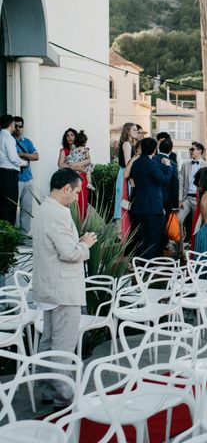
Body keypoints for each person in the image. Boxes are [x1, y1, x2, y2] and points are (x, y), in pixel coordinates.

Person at [32, 168, 97, 408]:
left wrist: (76, 244)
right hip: (63, 289)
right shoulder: (58, 213)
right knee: (63, 344)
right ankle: (65, 396)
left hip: (49, 286)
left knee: (48, 341)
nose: (77, 196)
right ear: (66, 188)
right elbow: (69, 252)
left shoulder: (42, 210)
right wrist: (85, 244)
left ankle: (47, 389)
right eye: (77, 191)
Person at [129, 137, 173, 258]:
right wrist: (168, 167)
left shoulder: (136, 163)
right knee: (154, 238)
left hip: (139, 206)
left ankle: (141, 264)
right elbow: (164, 180)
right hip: (153, 207)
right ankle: (150, 266)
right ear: (154, 149)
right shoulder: (151, 163)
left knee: (142, 238)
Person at [178, 142, 207, 248]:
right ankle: (180, 248)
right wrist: (179, 200)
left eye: (192, 149)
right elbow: (180, 182)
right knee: (178, 220)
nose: (190, 151)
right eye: (190, 149)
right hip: (186, 198)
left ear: (199, 151)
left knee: (198, 225)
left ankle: (197, 248)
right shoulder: (185, 165)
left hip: (200, 199)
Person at [12, 116, 38, 235]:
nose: (18, 128)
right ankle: (12, 234)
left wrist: (21, 154)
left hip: (27, 179)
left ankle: (24, 235)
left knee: (27, 209)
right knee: (13, 209)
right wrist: (27, 156)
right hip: (14, 180)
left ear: (23, 127)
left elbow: (36, 156)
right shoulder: (8, 141)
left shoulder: (27, 142)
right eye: (15, 126)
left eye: (20, 126)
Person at [0, 115, 27, 225]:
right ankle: (8, 235)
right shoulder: (8, 138)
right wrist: (24, 163)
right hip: (9, 174)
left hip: (1, 173)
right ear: (11, 124)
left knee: (2, 204)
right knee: (10, 204)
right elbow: (13, 158)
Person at [154, 138, 179, 252]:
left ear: (159, 148)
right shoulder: (172, 164)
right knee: (165, 224)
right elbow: (175, 184)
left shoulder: (152, 160)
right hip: (167, 199)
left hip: (153, 197)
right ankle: (163, 245)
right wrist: (175, 204)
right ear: (171, 150)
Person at [113, 123, 138, 231]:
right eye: (134, 130)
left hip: (125, 174)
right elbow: (128, 162)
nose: (136, 132)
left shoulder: (129, 144)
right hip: (125, 175)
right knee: (124, 201)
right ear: (127, 131)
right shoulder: (127, 144)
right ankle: (121, 230)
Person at [64, 131, 93, 220]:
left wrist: (74, 164)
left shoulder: (73, 151)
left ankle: (75, 220)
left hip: (74, 177)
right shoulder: (85, 150)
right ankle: (90, 183)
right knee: (83, 201)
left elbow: (69, 161)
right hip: (83, 177)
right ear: (85, 142)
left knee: (75, 200)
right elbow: (89, 160)